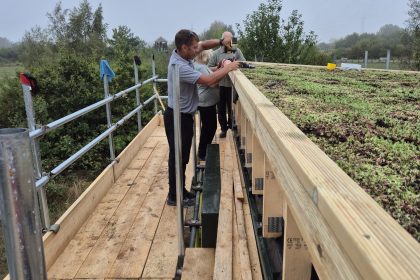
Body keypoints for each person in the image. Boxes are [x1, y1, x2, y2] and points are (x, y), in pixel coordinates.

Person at [165, 29, 239, 206]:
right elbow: (208, 80)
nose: (197, 49)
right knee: (178, 157)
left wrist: (222, 42)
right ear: (184, 48)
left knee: (181, 157)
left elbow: (205, 45)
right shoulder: (180, 67)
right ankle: (174, 196)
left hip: (183, 115)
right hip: (178, 118)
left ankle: (179, 191)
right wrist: (228, 67)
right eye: (193, 47)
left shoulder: (183, 55)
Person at [208, 31, 245, 138]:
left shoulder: (237, 51)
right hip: (219, 85)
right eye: (227, 41)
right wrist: (220, 67)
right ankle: (224, 129)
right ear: (223, 40)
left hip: (232, 86)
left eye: (231, 41)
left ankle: (233, 128)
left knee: (232, 108)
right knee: (221, 109)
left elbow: (243, 63)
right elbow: (208, 68)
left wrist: (235, 64)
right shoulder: (216, 53)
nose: (229, 43)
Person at [194, 50, 219, 161]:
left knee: (208, 127)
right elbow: (212, 82)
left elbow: (210, 71)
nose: (209, 58)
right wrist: (225, 72)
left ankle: (204, 150)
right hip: (205, 103)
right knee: (209, 127)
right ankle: (202, 153)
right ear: (204, 56)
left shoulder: (199, 65)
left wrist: (218, 68)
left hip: (205, 102)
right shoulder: (201, 67)